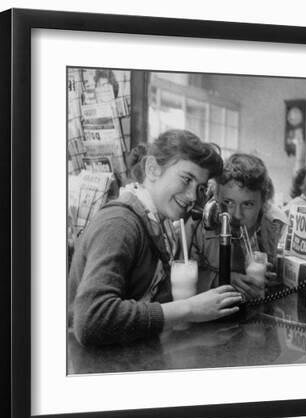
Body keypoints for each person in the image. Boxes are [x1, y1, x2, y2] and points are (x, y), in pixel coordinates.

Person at [68, 130, 242, 346]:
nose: (192, 197)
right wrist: (190, 309)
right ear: (152, 169)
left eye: (200, 188)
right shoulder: (120, 223)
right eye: (186, 179)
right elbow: (91, 320)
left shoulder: (158, 222)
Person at [187, 153, 287, 301]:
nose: (236, 215)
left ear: (263, 203)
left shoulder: (277, 228)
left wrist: (276, 277)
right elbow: (181, 275)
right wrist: (222, 279)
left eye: (247, 204)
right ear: (216, 197)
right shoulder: (197, 227)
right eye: (228, 202)